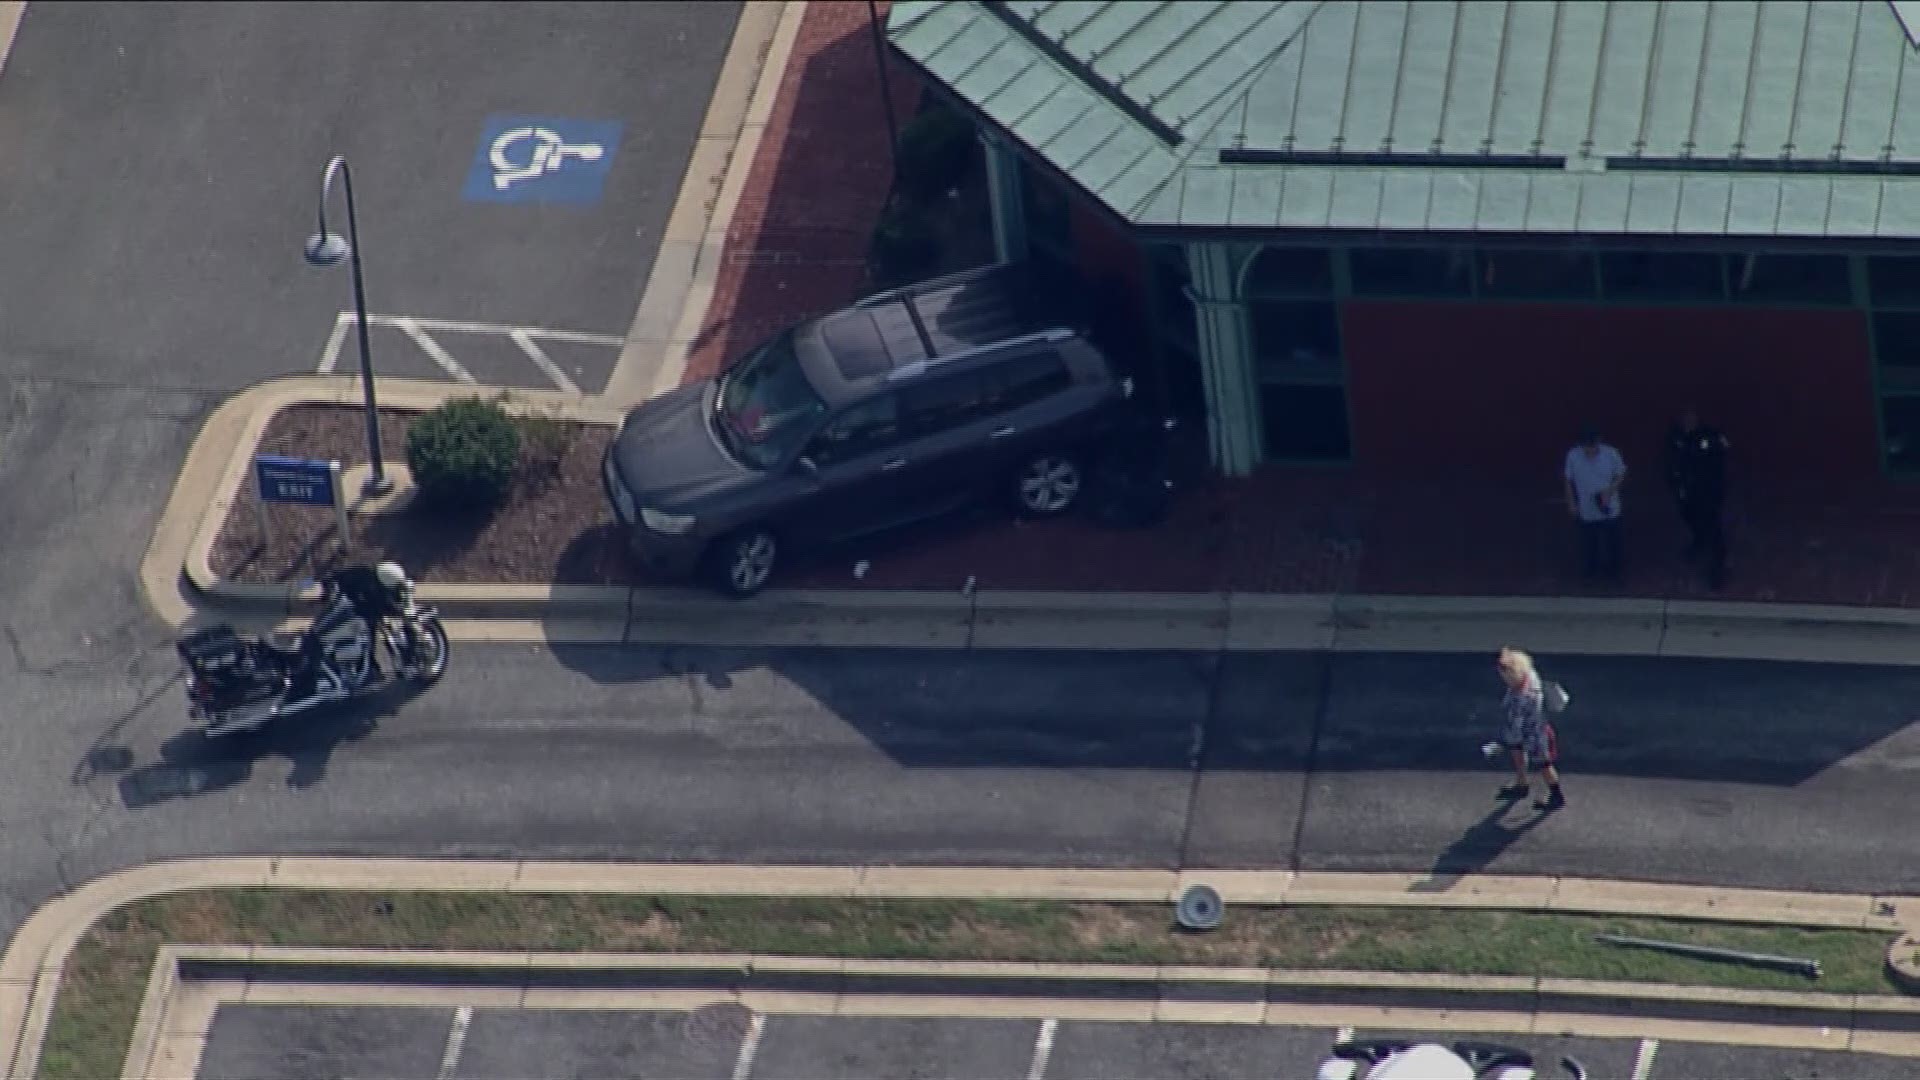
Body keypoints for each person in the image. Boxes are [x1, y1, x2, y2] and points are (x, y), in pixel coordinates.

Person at [1664, 408, 1730, 589]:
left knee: (1714, 530)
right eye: (1685, 419)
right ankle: (1698, 541)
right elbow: (1669, 461)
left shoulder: (1709, 436)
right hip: (1687, 491)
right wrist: (1675, 483)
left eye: (1692, 419)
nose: (1688, 422)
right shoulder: (1675, 437)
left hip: (1708, 492)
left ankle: (1717, 571)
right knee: (1690, 518)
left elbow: (1720, 459)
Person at [1494, 647, 1565, 812]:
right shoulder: (1529, 674)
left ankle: (1556, 796)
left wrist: (1504, 741)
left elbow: (1516, 724)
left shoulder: (1522, 698)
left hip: (1533, 734)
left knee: (1544, 764)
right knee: (1524, 754)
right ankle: (1522, 783)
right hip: (1537, 728)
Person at [1563, 428, 1627, 582]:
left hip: (1608, 506)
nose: (1590, 450)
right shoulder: (1573, 455)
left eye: (1593, 446)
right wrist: (1571, 502)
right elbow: (1568, 480)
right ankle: (1590, 573)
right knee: (1589, 544)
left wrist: (1610, 490)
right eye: (1587, 446)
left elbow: (1621, 474)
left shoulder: (1611, 453)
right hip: (1586, 508)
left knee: (1613, 543)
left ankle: (1615, 573)